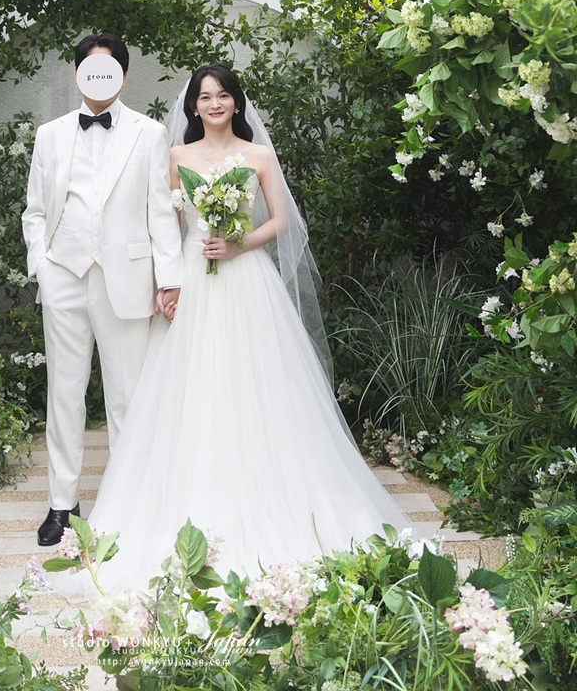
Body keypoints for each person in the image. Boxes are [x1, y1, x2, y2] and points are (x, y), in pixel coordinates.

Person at [55, 62, 409, 593]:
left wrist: (240, 243)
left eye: (223, 95)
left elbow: (282, 221)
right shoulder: (175, 157)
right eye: (205, 97)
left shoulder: (258, 155)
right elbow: (161, 223)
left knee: (256, 385)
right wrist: (167, 283)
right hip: (193, 280)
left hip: (247, 281)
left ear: (237, 103)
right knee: (192, 389)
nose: (215, 104)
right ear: (192, 106)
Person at [22, 33, 183, 547]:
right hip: (64, 276)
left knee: (128, 397)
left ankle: (127, 502)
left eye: (108, 69)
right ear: (78, 75)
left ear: (123, 76)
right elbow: (35, 211)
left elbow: (161, 210)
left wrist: (170, 277)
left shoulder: (150, 133)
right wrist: (42, 267)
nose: (98, 78)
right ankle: (61, 504)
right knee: (64, 393)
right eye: (89, 69)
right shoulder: (49, 135)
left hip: (128, 279)